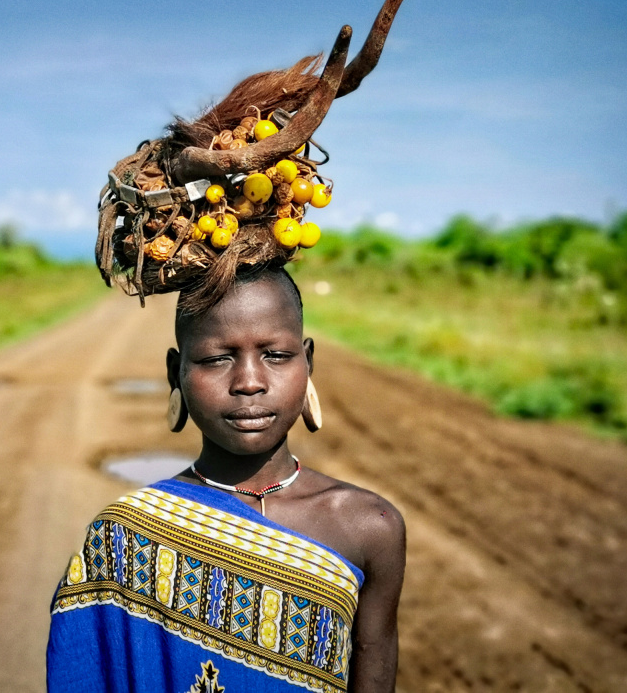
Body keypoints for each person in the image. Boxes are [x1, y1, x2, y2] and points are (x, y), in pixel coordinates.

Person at [46, 264, 406, 692]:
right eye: (217, 359)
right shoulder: (121, 536)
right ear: (175, 372)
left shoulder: (370, 528)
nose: (249, 382)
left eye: (275, 355)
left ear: (308, 362)